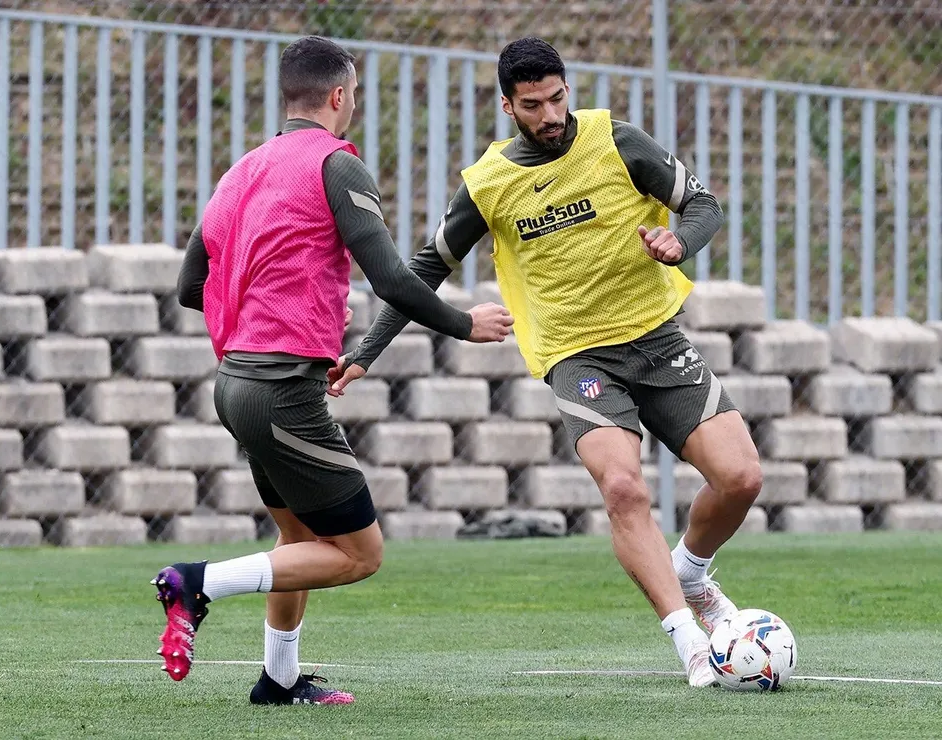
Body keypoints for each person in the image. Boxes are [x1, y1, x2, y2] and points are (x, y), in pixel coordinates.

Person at [329, 37, 763, 689]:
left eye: (558, 98)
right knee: (623, 488)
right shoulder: (490, 183)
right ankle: (691, 647)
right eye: (533, 105)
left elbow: (704, 204)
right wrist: (366, 351)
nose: (551, 114)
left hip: (657, 340)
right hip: (577, 357)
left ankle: (693, 574)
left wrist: (681, 240)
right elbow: (424, 268)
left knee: (742, 479)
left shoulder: (617, 140)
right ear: (508, 107)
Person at [153, 35, 513, 705]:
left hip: (235, 383)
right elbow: (394, 281)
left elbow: (188, 285)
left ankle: (279, 679)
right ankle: (195, 582)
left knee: (298, 537)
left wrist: (263, 310)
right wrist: (468, 324)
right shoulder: (337, 165)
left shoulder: (243, 169)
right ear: (340, 96)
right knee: (358, 553)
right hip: (282, 388)